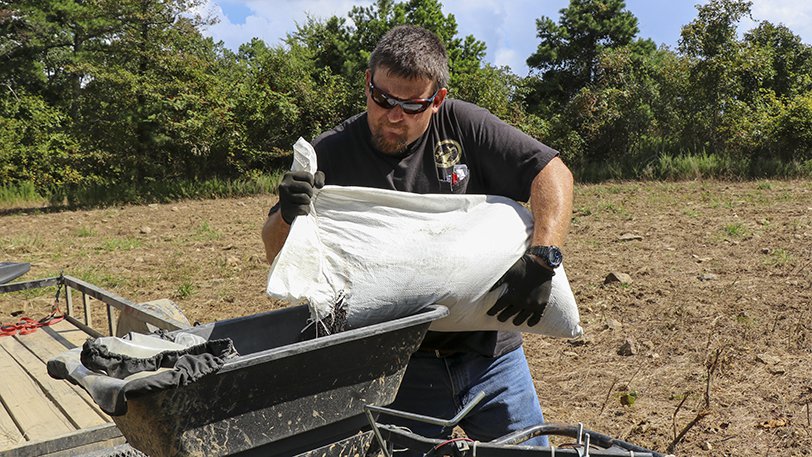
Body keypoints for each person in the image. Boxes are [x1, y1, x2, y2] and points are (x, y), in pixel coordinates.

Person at [262, 25, 574, 451]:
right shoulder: (331, 152)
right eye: (382, 99)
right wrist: (287, 213)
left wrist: (542, 258)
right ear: (367, 82)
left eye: (412, 106)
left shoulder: (465, 126)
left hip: (492, 360)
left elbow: (551, 172)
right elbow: (273, 250)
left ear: (437, 99)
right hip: (394, 369)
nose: (393, 116)